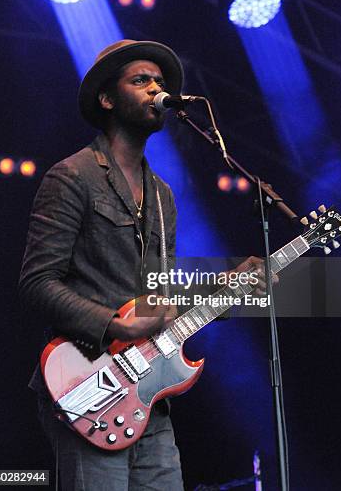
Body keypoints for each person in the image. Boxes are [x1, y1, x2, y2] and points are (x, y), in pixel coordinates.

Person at [19, 39, 268, 491]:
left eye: (159, 81)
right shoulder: (72, 177)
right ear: (107, 98)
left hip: (148, 397)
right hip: (87, 381)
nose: (157, 88)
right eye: (141, 80)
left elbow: (160, 295)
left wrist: (226, 289)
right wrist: (116, 324)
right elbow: (37, 283)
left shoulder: (162, 194)